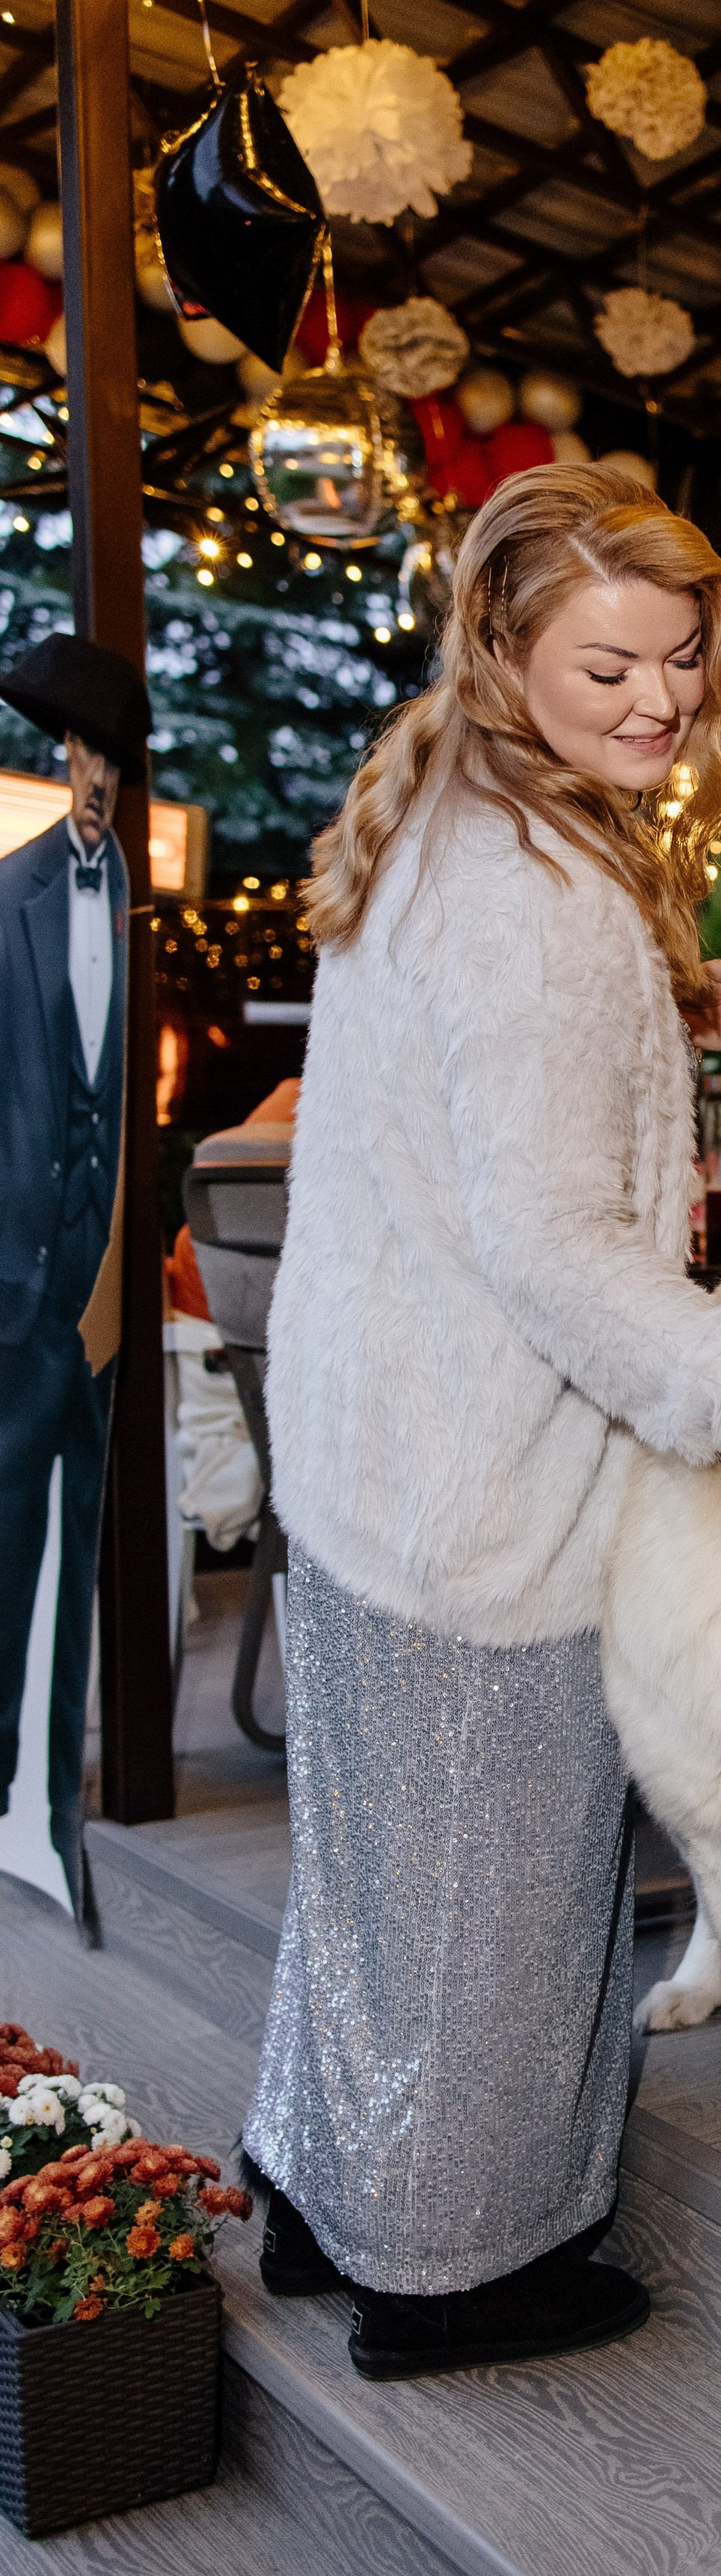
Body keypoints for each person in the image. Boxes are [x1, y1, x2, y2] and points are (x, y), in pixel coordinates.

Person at [245, 464, 721, 2379]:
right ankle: (459, 2274)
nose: (658, 701)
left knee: (378, 1872)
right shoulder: (540, 899)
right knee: (494, 1883)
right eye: (610, 662)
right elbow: (562, 1254)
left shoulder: (457, 830)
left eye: (682, 664)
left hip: (372, 1445)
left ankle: (327, 2194)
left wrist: (678, 1029)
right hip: (482, 1471)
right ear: (500, 650)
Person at [0, 635, 150, 1916]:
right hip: (13, 1278)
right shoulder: (10, 897)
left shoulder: (139, 909)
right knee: (4, 1548)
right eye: (78, 752)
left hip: (101, 1289)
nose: (93, 778)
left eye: (110, 756)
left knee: (81, 1544)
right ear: (60, 761)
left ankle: (57, 1806)